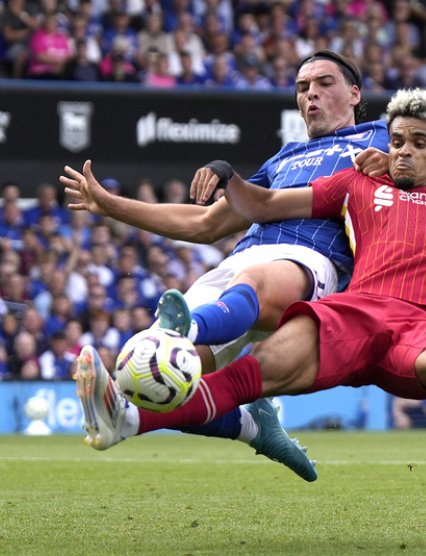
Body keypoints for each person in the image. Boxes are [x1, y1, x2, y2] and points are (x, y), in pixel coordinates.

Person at [73, 53, 426, 478]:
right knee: (228, 376)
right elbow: (241, 212)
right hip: (347, 313)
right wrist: (225, 174)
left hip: (410, 318)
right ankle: (136, 417)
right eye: (398, 141)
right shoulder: (350, 176)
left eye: (417, 142)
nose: (403, 150)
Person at [62, 50, 390, 481]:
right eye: (302, 88)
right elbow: (205, 223)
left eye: (324, 83)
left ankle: (189, 328)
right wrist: (110, 205)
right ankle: (242, 425)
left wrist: (393, 166)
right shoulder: (284, 158)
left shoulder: (379, 138)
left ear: (354, 93)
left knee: (242, 290)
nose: (311, 94)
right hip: (240, 263)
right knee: (157, 374)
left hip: (313, 260)